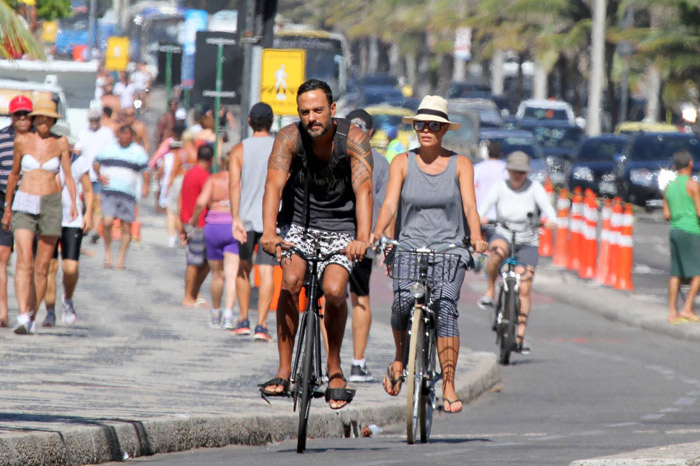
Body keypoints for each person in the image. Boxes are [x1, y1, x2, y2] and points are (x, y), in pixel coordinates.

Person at [259, 79, 373, 410]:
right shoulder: (289, 137)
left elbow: (364, 190)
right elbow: (273, 186)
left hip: (341, 226)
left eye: (318, 110)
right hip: (297, 224)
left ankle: (335, 367)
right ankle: (284, 369)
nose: (312, 118)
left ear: (333, 110)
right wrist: (269, 231)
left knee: (336, 290)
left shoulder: (353, 138)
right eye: (305, 112)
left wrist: (362, 238)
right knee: (292, 281)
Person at [371, 95, 487, 414]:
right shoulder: (401, 162)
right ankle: (399, 358)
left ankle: (448, 384)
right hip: (408, 247)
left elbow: (469, 207)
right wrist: (378, 232)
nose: (426, 130)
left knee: (446, 306)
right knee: (401, 304)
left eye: (434, 125)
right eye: (421, 124)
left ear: (444, 130)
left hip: (450, 250)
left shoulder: (460, 164)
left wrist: (475, 237)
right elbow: (391, 205)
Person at [2, 96, 78, 335]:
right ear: (36, 119)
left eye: (49, 119)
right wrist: (7, 207)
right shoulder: (22, 141)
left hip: (50, 203)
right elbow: (14, 175)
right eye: (41, 118)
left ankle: (32, 314)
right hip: (24, 200)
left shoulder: (61, 143)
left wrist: (74, 204)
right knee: (24, 258)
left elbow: (68, 174)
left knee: (42, 265)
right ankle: (23, 315)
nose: (44, 123)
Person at [477, 151, 557, 354]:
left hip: (527, 240)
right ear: (508, 171)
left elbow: (548, 209)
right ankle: (489, 290)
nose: (517, 175)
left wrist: (551, 220)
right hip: (504, 233)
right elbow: (482, 208)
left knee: (525, 286)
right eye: (514, 171)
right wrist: (482, 218)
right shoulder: (500, 187)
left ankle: (519, 336)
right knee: (495, 254)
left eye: (521, 172)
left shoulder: (534, 188)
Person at [344, 108, 390, 382]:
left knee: (333, 298)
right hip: (364, 240)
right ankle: (355, 363)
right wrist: (383, 239)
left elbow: (387, 206)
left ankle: (341, 362)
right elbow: (387, 207)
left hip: (354, 240)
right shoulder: (381, 162)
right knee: (357, 298)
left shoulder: (334, 155)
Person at [229, 102, 277, 340]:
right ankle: (262, 324)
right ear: (271, 122)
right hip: (271, 220)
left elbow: (234, 185)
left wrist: (235, 217)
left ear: (249, 121)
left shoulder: (239, 149)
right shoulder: (280, 148)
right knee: (266, 270)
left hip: (245, 218)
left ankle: (243, 319)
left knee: (244, 268)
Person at [42, 121, 93, 327]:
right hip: (49, 216)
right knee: (50, 267)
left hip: (72, 219)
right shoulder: (45, 159)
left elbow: (88, 190)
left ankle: (68, 299)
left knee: (70, 268)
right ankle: (50, 311)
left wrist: (89, 214)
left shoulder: (78, 161)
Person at [192, 151, 239, 329]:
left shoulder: (213, 179)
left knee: (217, 275)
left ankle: (216, 312)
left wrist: (195, 219)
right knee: (232, 275)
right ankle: (228, 314)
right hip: (233, 226)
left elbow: (201, 202)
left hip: (214, 226)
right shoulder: (239, 181)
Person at [94, 125, 150, 270]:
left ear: (132, 137)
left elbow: (145, 169)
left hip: (128, 193)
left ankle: (121, 258)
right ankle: (108, 252)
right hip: (109, 191)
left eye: (127, 136)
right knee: (107, 222)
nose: (124, 139)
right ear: (118, 136)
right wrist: (99, 176)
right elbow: (96, 162)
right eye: (122, 135)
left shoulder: (138, 151)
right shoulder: (108, 148)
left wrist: (146, 185)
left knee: (126, 226)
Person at [0, 96, 34, 327]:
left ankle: (27, 309)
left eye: (26, 114)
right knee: (2, 255)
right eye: (17, 114)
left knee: (27, 257)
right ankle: (3, 310)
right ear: (11, 116)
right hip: (3, 198)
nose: (22, 118)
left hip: (31, 200)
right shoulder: (2, 138)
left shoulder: (38, 139)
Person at [663, 150, 700, 324]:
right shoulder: (693, 185)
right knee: (698, 273)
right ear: (690, 164)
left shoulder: (669, 187)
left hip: (675, 230)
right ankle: (687, 308)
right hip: (691, 230)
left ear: (675, 167)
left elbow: (666, 214)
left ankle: (672, 312)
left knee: (676, 273)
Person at [179, 145, 213, 308]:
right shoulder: (205, 177)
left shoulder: (189, 174)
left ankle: (194, 292)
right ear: (211, 160)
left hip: (188, 221)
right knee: (195, 261)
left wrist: (181, 225)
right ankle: (188, 297)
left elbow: (182, 199)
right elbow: (206, 201)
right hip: (198, 223)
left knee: (207, 262)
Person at [75, 109, 115, 243]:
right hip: (86, 173)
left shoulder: (106, 133)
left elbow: (112, 150)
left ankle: (95, 228)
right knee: (88, 201)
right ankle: (89, 225)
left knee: (97, 200)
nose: (93, 122)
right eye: (91, 120)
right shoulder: (83, 133)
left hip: (101, 173)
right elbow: (77, 149)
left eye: (95, 119)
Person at [474, 140, 507, 222]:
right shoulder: (506, 169)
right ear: (501, 154)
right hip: (500, 214)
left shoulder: (478, 168)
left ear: (487, 153)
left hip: (481, 213)